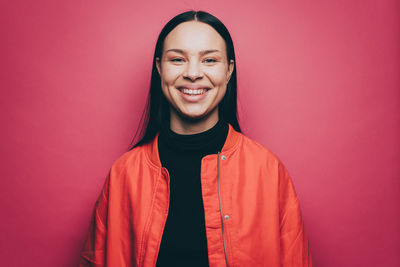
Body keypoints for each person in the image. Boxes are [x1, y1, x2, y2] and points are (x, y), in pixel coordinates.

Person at [80, 10, 313, 267]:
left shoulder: (268, 172)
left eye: (209, 60)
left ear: (229, 70)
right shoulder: (123, 175)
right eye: (177, 59)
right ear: (159, 68)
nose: (193, 73)